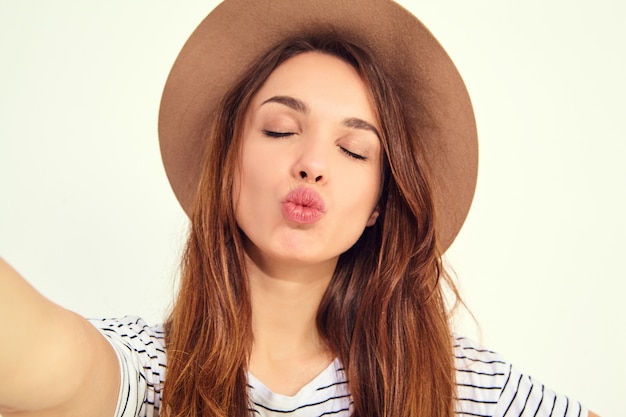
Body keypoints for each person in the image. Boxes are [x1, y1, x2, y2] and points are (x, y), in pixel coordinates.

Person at [0, 1, 600, 416]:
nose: (313, 163)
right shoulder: (143, 370)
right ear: (229, 160)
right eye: (282, 130)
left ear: (377, 206)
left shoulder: (455, 386)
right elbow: (40, 353)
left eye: (352, 148)